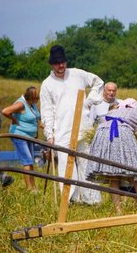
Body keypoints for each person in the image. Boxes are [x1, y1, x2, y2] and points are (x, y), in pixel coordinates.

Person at [40, 44, 104, 204]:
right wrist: (49, 134)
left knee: (87, 163)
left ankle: (92, 200)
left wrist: (91, 98)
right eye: (56, 63)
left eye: (62, 62)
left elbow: (98, 82)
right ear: (51, 64)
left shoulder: (78, 74)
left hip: (84, 126)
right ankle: (71, 200)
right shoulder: (47, 84)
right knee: (66, 166)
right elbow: (47, 111)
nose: (60, 66)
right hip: (62, 130)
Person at [86, 98, 137, 214]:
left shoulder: (112, 112)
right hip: (121, 134)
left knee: (113, 175)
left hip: (101, 136)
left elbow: (101, 122)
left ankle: (118, 210)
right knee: (134, 172)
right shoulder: (135, 112)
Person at [1, 86, 43, 191]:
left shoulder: (32, 105)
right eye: (36, 98)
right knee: (27, 162)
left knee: (30, 161)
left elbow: (37, 117)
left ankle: (34, 187)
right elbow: (5, 111)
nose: (37, 101)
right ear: (30, 97)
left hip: (29, 136)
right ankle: (29, 188)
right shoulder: (21, 104)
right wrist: (13, 119)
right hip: (20, 136)